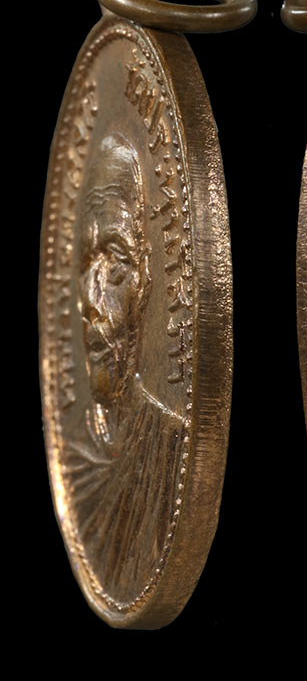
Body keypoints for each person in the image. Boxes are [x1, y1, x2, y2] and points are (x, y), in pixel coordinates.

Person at [67, 134, 185, 600]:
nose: (91, 300)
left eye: (115, 259)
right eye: (85, 263)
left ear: (146, 278)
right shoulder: (74, 451)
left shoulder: (171, 447)